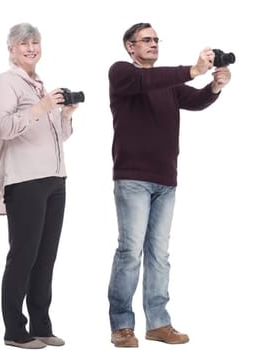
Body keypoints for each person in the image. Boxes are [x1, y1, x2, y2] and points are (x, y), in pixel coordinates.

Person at [105, 22, 229, 348]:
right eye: (146, 39)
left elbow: (196, 99)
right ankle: (122, 326)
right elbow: (148, 80)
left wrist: (214, 86)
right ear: (130, 46)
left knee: (159, 255)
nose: (153, 43)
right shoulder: (122, 73)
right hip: (132, 179)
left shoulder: (168, 83)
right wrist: (192, 68)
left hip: (165, 181)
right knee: (130, 252)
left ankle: (158, 323)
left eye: (156, 39)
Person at [0, 23, 77, 350]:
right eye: (23, 43)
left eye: (35, 42)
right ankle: (14, 330)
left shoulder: (40, 85)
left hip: (55, 179)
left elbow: (60, 137)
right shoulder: (5, 83)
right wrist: (39, 109)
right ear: (11, 49)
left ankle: (42, 324)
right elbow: (2, 128)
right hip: (24, 180)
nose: (31, 48)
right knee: (23, 255)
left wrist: (65, 114)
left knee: (46, 257)